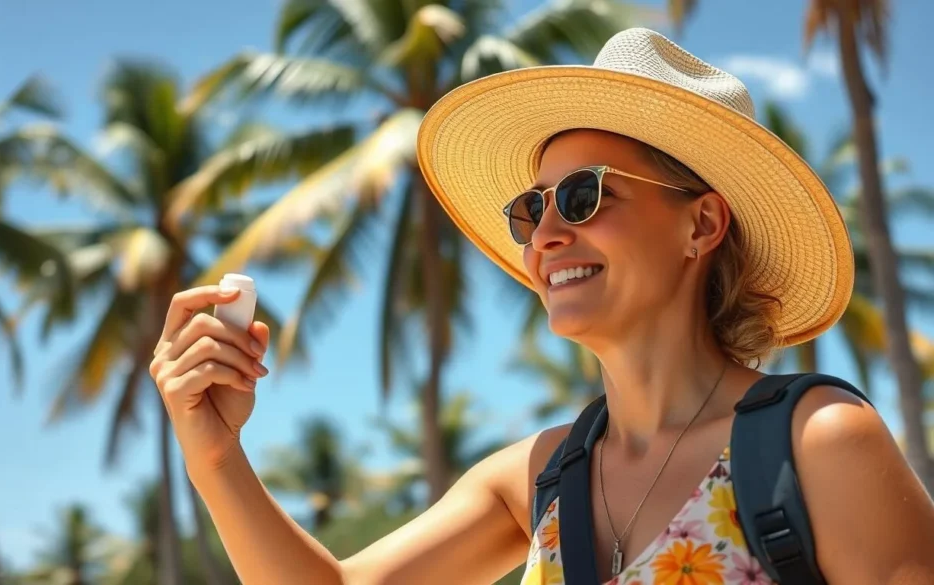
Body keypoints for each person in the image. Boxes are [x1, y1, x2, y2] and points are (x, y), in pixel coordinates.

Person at [149, 27, 934, 585]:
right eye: (533, 208)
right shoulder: (539, 476)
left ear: (701, 223)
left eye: (584, 195)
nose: (547, 232)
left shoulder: (819, 447)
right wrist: (214, 453)